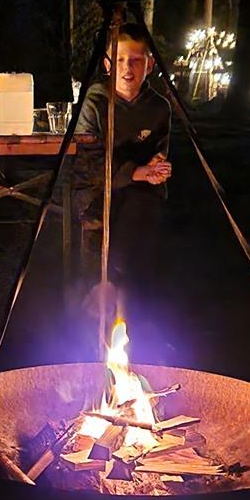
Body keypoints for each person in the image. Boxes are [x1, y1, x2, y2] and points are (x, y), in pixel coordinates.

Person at [73, 22, 172, 311]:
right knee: (117, 214)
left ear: (149, 65)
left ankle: (117, 294)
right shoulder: (95, 101)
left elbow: (160, 152)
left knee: (142, 206)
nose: (127, 68)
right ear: (107, 63)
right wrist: (136, 171)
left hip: (140, 194)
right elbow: (90, 160)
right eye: (120, 60)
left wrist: (157, 165)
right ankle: (112, 295)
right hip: (98, 189)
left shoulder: (158, 107)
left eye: (135, 60)